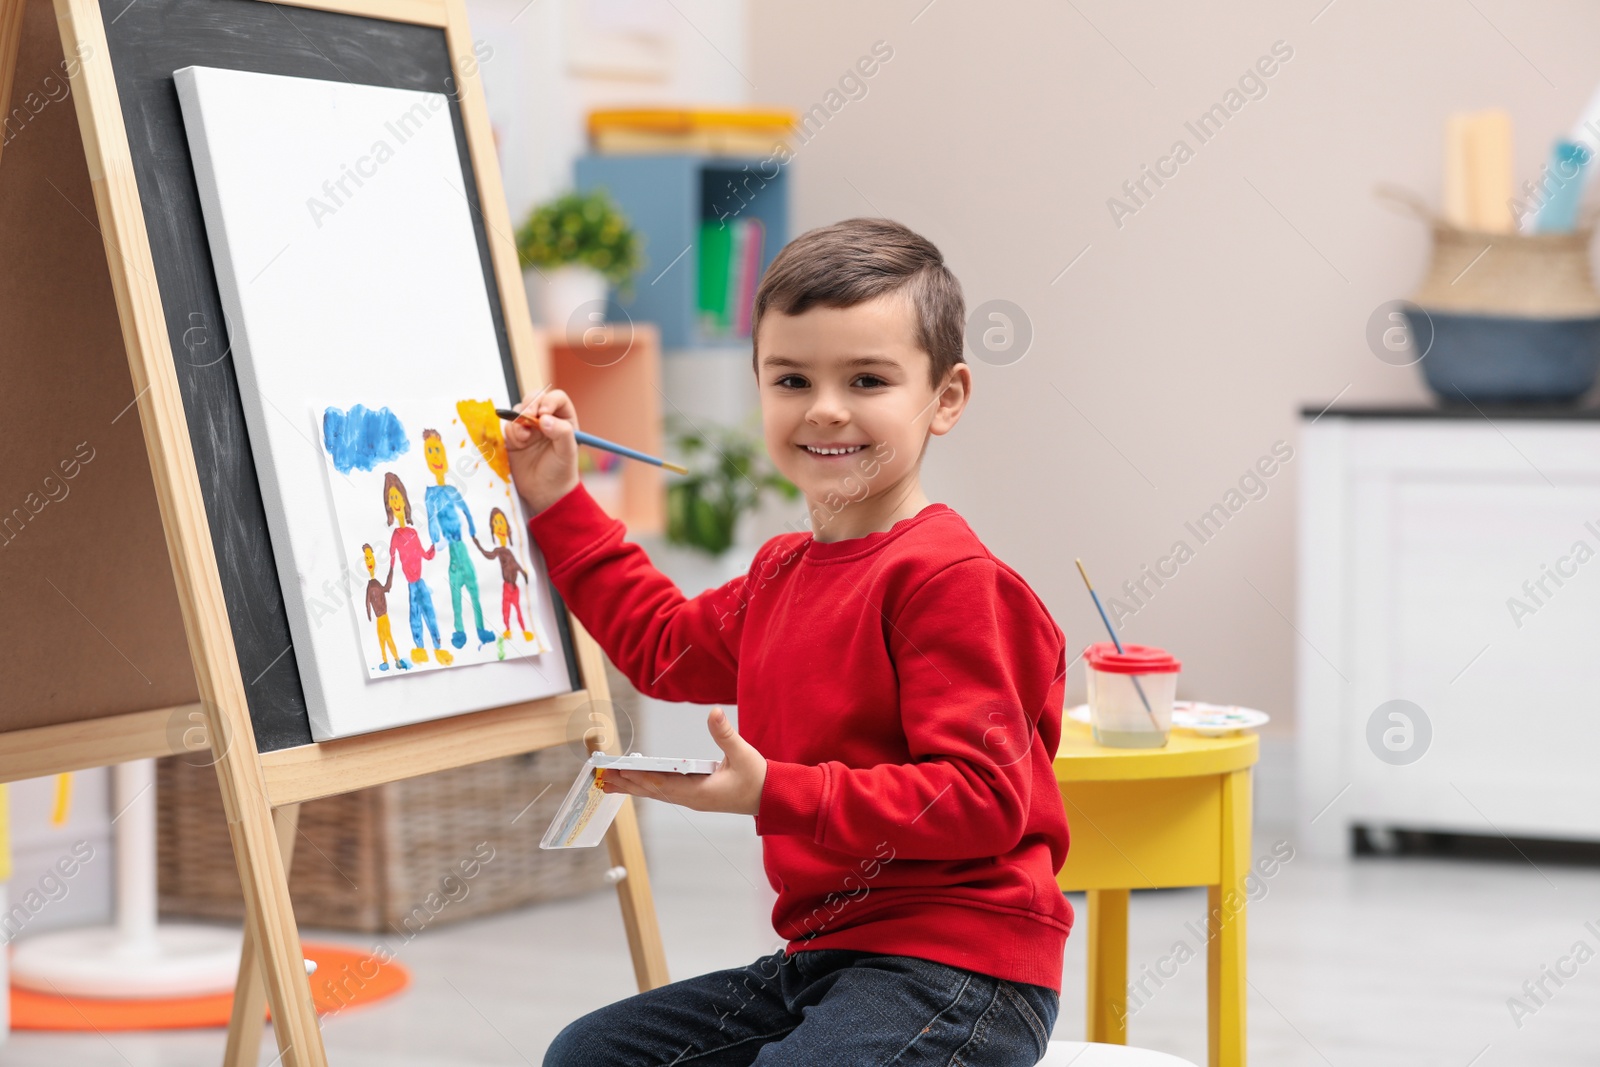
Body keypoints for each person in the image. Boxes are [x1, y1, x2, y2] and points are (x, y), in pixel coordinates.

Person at [509, 218, 1071, 1067]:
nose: (826, 408)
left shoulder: (951, 580)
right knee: (590, 1054)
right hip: (824, 958)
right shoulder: (781, 574)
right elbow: (663, 645)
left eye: (869, 379)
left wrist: (778, 790)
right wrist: (558, 500)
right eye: (792, 378)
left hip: (961, 966)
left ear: (945, 398)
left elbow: (983, 799)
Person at [421, 428, 496, 649]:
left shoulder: (452, 489)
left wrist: (472, 527)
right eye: (431, 452)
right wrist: (437, 538)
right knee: (456, 598)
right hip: (453, 552)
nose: (436, 456)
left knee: (474, 591)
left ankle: (481, 630)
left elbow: (465, 510)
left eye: (439, 450)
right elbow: (431, 519)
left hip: (463, 549)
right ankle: (460, 632)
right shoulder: (431, 494)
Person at [383, 471, 452, 666]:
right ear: (389, 506)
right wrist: (388, 582)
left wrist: (434, 546)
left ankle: (438, 646)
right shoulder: (396, 536)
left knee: (429, 612)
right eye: (392, 499)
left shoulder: (413, 532)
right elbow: (392, 561)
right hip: (411, 585)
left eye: (398, 497)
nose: (396, 502)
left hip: (420, 582)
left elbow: (424, 554)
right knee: (415, 615)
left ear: (404, 502)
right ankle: (420, 648)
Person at [472, 506, 541, 646]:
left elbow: (516, 564)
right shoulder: (499, 551)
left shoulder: (510, 551)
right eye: (496, 524)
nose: (499, 527)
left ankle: (524, 630)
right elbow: (489, 554)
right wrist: (478, 544)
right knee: (506, 609)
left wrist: (523, 574)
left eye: (501, 522)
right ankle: (508, 629)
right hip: (506, 586)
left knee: (519, 609)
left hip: (515, 587)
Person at [360, 542, 406, 671]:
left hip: (383, 617)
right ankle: (385, 660)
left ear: (374, 559)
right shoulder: (370, 585)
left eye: (370, 557)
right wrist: (368, 613)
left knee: (387, 638)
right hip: (379, 618)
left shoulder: (376, 584)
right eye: (366, 558)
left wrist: (391, 571)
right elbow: (367, 601)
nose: (369, 561)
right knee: (381, 640)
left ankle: (396, 659)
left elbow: (387, 587)